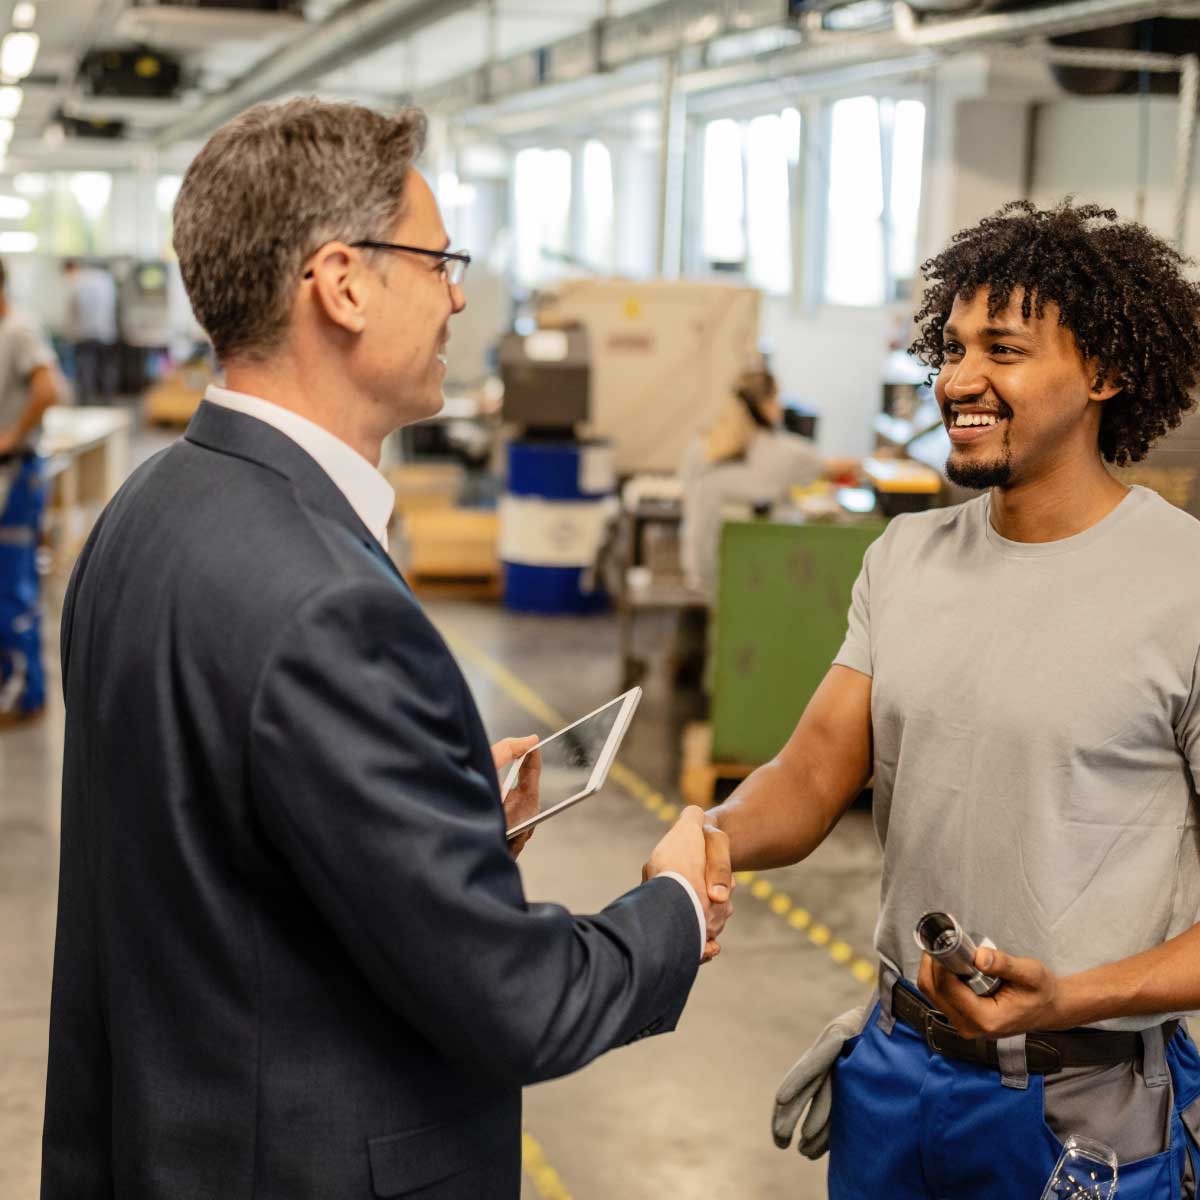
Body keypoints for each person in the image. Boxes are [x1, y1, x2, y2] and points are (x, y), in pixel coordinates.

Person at [41, 99, 734, 1199]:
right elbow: (517, 1002)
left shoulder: (147, 512)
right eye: (438, 259)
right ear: (343, 283)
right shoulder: (325, 601)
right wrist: (675, 910)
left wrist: (436, 818)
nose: (458, 292)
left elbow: (218, 850)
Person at [703, 200, 1200, 1197]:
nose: (957, 380)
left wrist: (1065, 995)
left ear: (1103, 373)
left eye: (1004, 350)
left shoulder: (1183, 587)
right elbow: (809, 777)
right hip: (894, 1072)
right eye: (955, 345)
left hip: (1083, 1105)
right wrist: (710, 835)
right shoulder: (906, 558)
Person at [679, 366, 856, 595]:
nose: (780, 406)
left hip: (698, 570)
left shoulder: (701, 446)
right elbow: (834, 466)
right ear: (764, 404)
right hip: (749, 577)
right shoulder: (781, 452)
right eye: (776, 398)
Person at [0, 258, 60, 721]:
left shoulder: (18, 330)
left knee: (13, 586)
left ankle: (26, 693)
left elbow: (47, 388)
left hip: (16, 474)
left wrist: (12, 435)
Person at [62, 258, 118, 405]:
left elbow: (72, 311)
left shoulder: (76, 282)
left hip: (83, 334)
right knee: (105, 368)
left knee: (86, 368)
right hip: (105, 333)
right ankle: (108, 401)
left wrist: (69, 334)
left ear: (71, 268)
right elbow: (113, 306)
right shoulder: (105, 279)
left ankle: (86, 403)